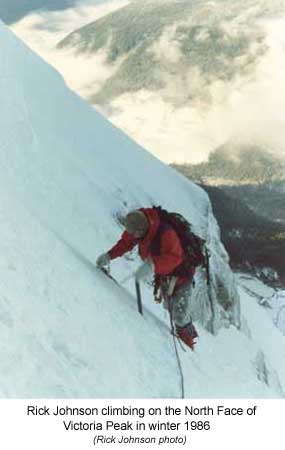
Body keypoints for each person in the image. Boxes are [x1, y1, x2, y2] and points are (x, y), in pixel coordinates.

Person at [96, 207, 198, 350]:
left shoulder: (166, 233)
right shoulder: (137, 225)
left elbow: (175, 258)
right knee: (170, 307)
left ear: (142, 231)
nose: (133, 237)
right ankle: (183, 335)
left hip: (181, 275)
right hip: (164, 275)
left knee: (180, 315)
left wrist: (152, 265)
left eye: (135, 234)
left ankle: (189, 345)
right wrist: (109, 255)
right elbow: (126, 243)